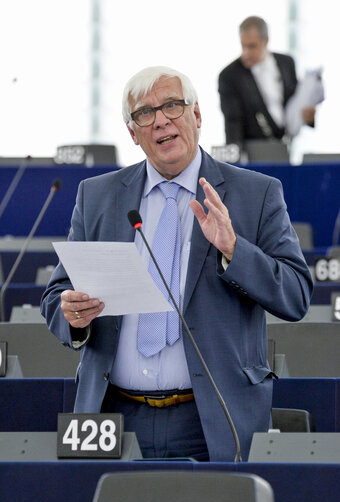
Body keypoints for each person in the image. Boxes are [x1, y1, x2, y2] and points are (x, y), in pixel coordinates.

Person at [41, 65, 313, 462]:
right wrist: (73, 316)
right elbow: (57, 296)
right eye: (144, 114)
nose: (161, 120)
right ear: (133, 133)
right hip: (112, 419)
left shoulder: (256, 193)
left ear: (197, 115)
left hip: (212, 418)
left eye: (172, 105)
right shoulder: (97, 196)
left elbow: (296, 296)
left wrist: (235, 250)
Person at [218, 16, 316, 149]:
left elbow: (295, 101)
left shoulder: (287, 63)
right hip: (253, 152)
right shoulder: (229, 76)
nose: (246, 53)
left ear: (266, 40)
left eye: (252, 46)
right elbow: (232, 123)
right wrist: (236, 162)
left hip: (288, 147)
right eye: (243, 46)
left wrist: (308, 117)